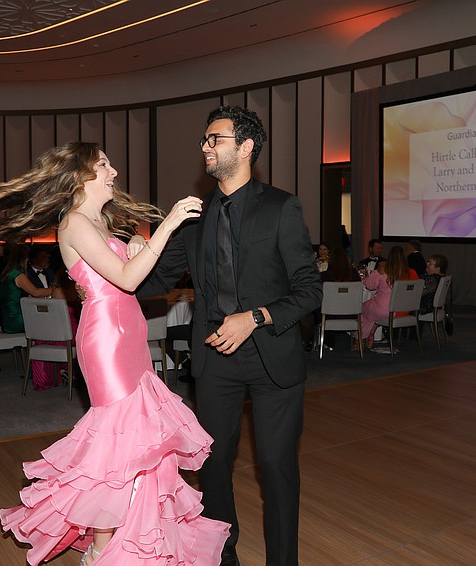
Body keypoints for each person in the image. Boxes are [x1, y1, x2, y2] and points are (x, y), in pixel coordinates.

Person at [0, 141, 229, 566]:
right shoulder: (75, 222)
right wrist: (167, 226)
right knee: (115, 443)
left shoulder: (100, 221)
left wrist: (138, 247)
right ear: (81, 175)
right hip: (106, 341)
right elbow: (126, 280)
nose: (114, 171)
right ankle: (101, 552)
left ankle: (136, 534)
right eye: (104, 164)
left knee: (139, 442)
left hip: (129, 334)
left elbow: (125, 272)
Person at [138, 105, 323, 566]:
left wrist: (255, 317)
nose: (204, 146)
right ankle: (223, 557)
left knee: (277, 468)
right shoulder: (194, 216)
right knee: (213, 465)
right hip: (215, 358)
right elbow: (158, 280)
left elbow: (309, 290)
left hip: (271, 356)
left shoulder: (281, 207)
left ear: (244, 148)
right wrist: (105, 274)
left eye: (214, 139)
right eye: (204, 139)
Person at [360, 245, 417, 349]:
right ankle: (371, 333)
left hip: (386, 310)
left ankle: (361, 338)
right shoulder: (412, 273)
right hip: (405, 310)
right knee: (372, 309)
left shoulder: (382, 270)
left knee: (363, 308)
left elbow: (369, 285)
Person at [0, 242, 53, 334]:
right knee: (49, 320)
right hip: (17, 322)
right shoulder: (17, 275)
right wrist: (56, 290)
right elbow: (36, 292)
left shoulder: (5, 274)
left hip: (6, 320)